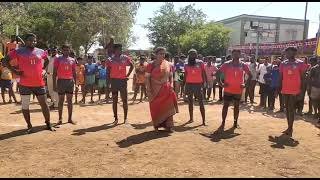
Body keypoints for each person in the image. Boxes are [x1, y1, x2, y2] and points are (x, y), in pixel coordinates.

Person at [3, 33, 55, 133]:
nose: (33, 42)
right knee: (25, 106)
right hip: (24, 84)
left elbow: (47, 61)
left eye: (34, 40)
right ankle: (29, 125)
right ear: (26, 41)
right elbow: (5, 61)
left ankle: (48, 123)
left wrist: (43, 70)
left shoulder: (41, 51)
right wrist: (14, 71)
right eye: (30, 40)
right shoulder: (18, 51)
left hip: (39, 83)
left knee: (44, 104)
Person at [217, 49, 251, 131]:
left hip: (238, 90)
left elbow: (250, 75)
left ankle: (235, 122)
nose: (236, 56)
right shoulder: (226, 64)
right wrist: (221, 84)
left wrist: (245, 84)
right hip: (228, 90)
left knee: (236, 106)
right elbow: (218, 73)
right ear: (232, 55)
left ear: (240, 55)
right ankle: (223, 122)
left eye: (237, 54)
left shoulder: (243, 65)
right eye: (234, 54)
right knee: (225, 106)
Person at [145, 47, 178, 132]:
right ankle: (156, 125)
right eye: (160, 53)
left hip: (166, 90)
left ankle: (169, 126)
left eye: (163, 53)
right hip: (154, 91)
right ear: (156, 54)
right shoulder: (150, 65)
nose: (162, 55)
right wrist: (149, 91)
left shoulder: (169, 64)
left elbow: (171, 77)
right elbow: (147, 78)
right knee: (156, 108)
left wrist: (171, 85)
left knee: (168, 107)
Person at [278, 46, 308, 137]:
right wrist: (278, 89)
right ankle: (289, 127)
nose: (286, 54)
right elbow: (280, 77)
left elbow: (303, 79)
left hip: (295, 90)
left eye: (289, 52)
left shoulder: (300, 63)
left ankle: (290, 128)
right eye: (286, 52)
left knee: (291, 109)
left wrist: (302, 92)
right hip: (285, 89)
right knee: (287, 109)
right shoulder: (283, 63)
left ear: (294, 53)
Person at [106, 43, 134, 124]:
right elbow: (108, 72)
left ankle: (125, 118)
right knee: (114, 100)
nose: (120, 50)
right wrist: (108, 83)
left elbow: (132, 66)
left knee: (124, 100)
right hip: (114, 81)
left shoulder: (125, 58)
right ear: (115, 50)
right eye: (119, 49)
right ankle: (116, 118)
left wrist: (127, 75)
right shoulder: (110, 59)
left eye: (121, 49)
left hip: (122, 81)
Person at [53, 44, 76, 126]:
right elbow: (54, 73)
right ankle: (60, 119)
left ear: (69, 50)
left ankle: (70, 118)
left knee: (70, 101)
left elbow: (74, 72)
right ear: (62, 50)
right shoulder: (58, 59)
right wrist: (54, 85)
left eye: (67, 50)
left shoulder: (72, 60)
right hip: (61, 81)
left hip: (70, 82)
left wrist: (76, 83)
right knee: (61, 101)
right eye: (64, 50)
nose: (66, 51)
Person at [184, 49, 207, 125]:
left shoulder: (200, 63)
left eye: (194, 54)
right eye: (191, 54)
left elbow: (203, 73)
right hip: (189, 84)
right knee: (190, 102)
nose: (193, 55)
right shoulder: (186, 64)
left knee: (201, 102)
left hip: (198, 84)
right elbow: (185, 74)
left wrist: (204, 82)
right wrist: (184, 84)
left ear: (197, 55)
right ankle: (191, 118)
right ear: (189, 55)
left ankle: (203, 121)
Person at [307, 56, 320, 124]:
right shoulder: (314, 68)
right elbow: (309, 79)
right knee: (315, 101)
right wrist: (309, 88)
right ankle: (315, 112)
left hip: (316, 87)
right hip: (315, 87)